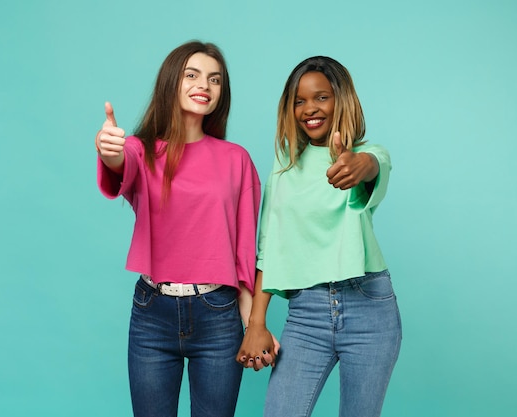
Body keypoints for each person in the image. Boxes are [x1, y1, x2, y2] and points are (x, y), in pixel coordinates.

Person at [95, 41, 261, 417]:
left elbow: (244, 254)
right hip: (152, 312)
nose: (205, 85)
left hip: (218, 314)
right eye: (192, 75)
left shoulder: (237, 160)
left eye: (215, 79)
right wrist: (109, 151)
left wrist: (255, 325)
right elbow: (123, 161)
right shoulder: (142, 149)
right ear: (172, 81)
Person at [236, 56, 402, 417]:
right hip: (306, 314)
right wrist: (256, 323)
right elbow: (268, 250)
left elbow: (375, 165)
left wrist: (359, 165)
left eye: (321, 97)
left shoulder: (364, 155)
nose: (309, 108)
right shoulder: (284, 170)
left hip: (368, 306)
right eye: (300, 100)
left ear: (340, 100)